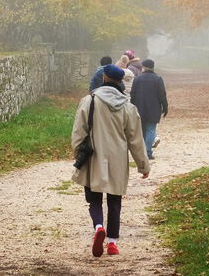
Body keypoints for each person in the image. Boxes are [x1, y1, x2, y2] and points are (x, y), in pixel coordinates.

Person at [71, 64, 150, 258]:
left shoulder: (89, 101)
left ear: (104, 78)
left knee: (94, 199)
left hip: (93, 157)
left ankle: (98, 227)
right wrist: (143, 165)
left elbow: (78, 132)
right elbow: (136, 139)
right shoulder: (128, 107)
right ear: (120, 82)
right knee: (115, 201)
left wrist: (77, 154)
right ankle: (113, 243)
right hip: (118, 159)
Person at [130, 59, 168, 160]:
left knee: (142, 130)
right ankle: (148, 152)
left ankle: (142, 152)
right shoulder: (158, 79)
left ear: (144, 67)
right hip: (153, 107)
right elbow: (162, 95)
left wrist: (132, 107)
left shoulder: (137, 79)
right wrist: (165, 106)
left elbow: (132, 94)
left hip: (139, 107)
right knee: (151, 129)